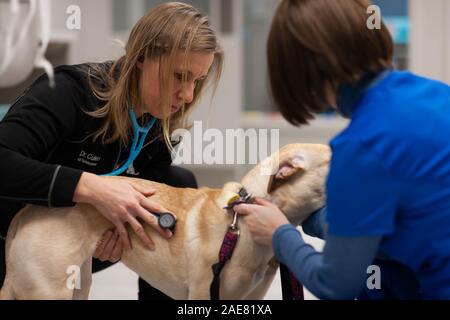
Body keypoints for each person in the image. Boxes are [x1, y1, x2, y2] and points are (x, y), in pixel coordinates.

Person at [0, 2, 223, 300]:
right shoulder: (69, 91)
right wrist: (90, 186)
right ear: (142, 57)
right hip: (11, 235)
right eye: (179, 76)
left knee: (179, 183)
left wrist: (115, 236)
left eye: (198, 81)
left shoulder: (158, 130)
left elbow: (141, 211)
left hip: (70, 242)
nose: (188, 95)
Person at [234, 0, 450, 300]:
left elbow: (334, 284)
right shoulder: (437, 94)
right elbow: (412, 223)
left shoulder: (361, 145)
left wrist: (279, 235)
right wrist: (325, 221)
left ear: (306, 71)